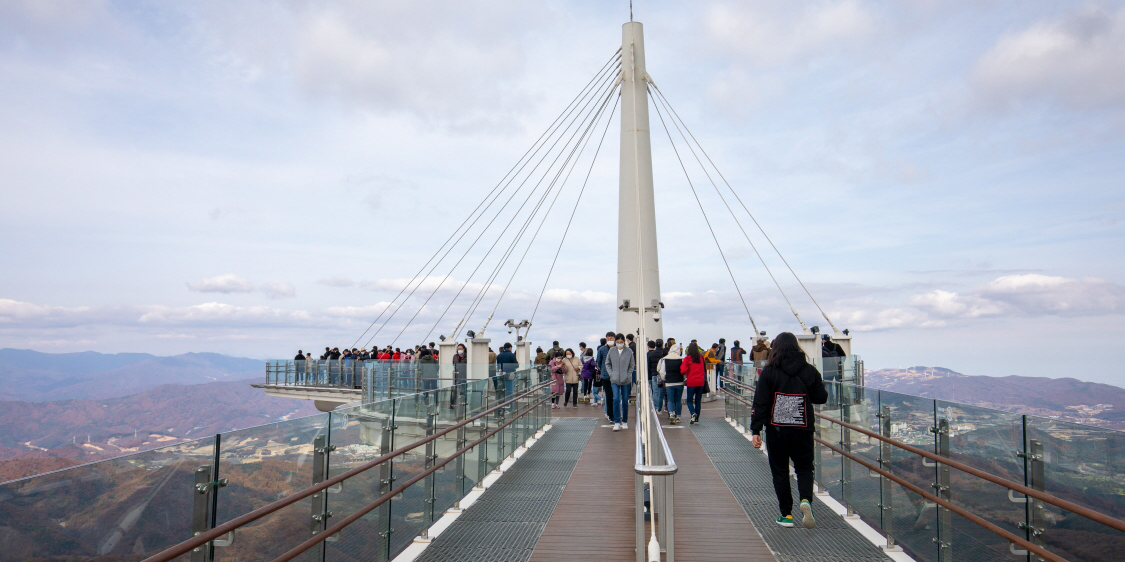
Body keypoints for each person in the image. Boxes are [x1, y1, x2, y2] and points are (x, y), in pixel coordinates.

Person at [750, 332, 828, 529]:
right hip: (803, 428)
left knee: (780, 471)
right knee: (804, 467)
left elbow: (761, 402)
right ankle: (806, 500)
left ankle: (786, 515)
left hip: (776, 430)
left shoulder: (769, 372)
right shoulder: (809, 370)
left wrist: (756, 430)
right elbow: (821, 397)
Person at [605, 333, 635, 431]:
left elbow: (632, 365)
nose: (619, 344)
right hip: (614, 380)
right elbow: (607, 363)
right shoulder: (611, 351)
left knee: (625, 401)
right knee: (616, 399)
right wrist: (611, 374)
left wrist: (628, 374)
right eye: (617, 342)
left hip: (626, 380)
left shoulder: (629, 351)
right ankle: (617, 422)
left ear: (624, 342)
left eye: (621, 342)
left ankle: (625, 421)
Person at [681, 342, 707, 424]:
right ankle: (696, 419)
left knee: (689, 400)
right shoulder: (701, 358)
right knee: (698, 401)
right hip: (701, 382)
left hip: (691, 382)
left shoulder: (687, 359)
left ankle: (693, 413)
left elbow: (683, 370)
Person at [663, 343, 684, 424]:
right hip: (679, 382)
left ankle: (671, 413)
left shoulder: (664, 359)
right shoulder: (681, 359)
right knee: (678, 400)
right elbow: (684, 371)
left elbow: (662, 371)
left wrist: (665, 378)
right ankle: (678, 416)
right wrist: (683, 378)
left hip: (669, 382)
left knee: (670, 400)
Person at [596, 333, 614, 419]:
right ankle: (609, 413)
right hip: (606, 376)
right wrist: (603, 369)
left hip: (616, 376)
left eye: (611, 338)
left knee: (617, 396)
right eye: (608, 338)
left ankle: (615, 412)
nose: (610, 340)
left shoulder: (617, 348)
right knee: (608, 395)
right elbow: (598, 361)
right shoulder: (602, 349)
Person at [646, 340, 665, 414]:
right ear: (662, 345)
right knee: (661, 392)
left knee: (655, 392)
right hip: (662, 375)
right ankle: (660, 407)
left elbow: (648, 365)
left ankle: (656, 407)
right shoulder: (663, 353)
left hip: (653, 374)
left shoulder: (651, 354)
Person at [451, 343, 467, 409]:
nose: (459, 350)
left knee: (463, 389)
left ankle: (463, 402)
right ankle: (453, 404)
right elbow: (453, 363)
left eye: (461, 349)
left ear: (464, 349)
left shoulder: (467, 356)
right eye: (458, 349)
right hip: (456, 375)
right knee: (454, 389)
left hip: (464, 375)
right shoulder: (455, 356)